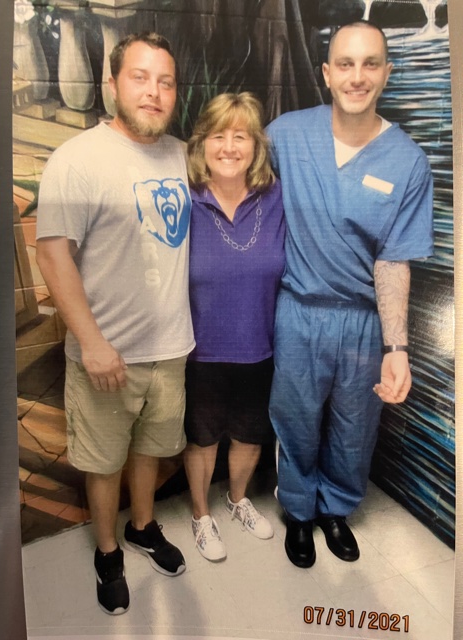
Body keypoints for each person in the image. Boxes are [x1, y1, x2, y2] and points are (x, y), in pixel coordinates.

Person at [35, 32, 194, 615]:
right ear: (112, 84)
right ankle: (107, 551)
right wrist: (92, 343)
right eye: (140, 77)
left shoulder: (181, 154)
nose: (153, 91)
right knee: (104, 463)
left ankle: (143, 527)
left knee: (150, 450)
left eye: (165, 81)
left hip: (170, 348)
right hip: (106, 355)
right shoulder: (76, 159)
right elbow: (52, 254)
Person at [266, 20, 433, 568]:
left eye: (369, 64)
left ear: (387, 72)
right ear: (326, 73)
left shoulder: (407, 161)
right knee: (294, 420)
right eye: (345, 64)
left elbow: (394, 260)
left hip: (362, 321)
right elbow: (231, 170)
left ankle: (335, 509)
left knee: (355, 427)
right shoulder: (287, 135)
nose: (356, 77)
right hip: (299, 310)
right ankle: (298, 511)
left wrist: (396, 348)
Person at [184, 92, 285, 561]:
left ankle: (238, 499)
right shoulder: (185, 198)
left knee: (249, 433)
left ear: (255, 145)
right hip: (199, 351)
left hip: (260, 347)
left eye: (240, 136)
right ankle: (201, 515)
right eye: (218, 136)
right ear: (201, 144)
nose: (229, 147)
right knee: (202, 439)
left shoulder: (275, 196)